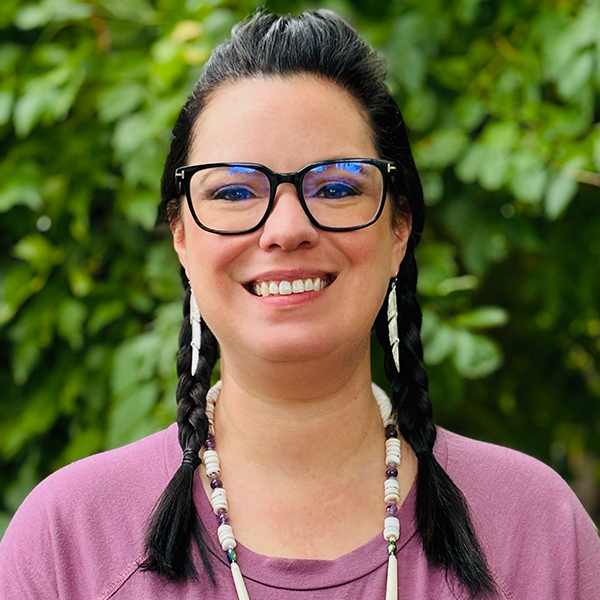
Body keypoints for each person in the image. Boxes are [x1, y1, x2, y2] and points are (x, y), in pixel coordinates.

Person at [1, 9, 599, 600]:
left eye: (336, 187)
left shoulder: (535, 529)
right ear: (181, 237)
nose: (286, 228)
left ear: (399, 231)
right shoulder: (68, 541)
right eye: (234, 191)